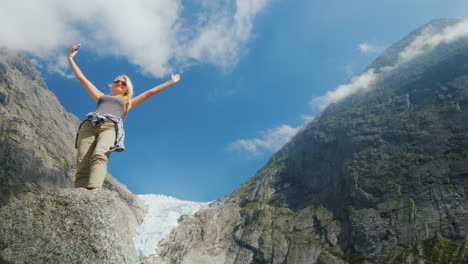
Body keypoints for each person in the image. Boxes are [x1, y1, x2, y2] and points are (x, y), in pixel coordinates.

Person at [67, 44, 181, 190]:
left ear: (127, 88)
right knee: (82, 160)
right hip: (89, 125)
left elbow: (150, 93)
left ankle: (94, 189)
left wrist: (170, 82)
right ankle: (79, 191)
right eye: (117, 81)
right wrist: (70, 58)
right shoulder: (101, 96)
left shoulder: (128, 102)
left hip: (110, 127)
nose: (119, 83)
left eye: (123, 83)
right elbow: (82, 79)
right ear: (112, 85)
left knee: (100, 154)